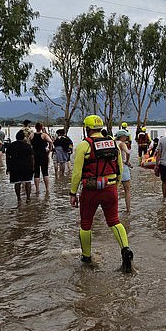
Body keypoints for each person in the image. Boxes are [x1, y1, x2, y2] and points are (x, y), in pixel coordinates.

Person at [70, 115, 133, 272]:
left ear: (87, 128)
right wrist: (115, 185)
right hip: (110, 188)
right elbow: (119, 167)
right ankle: (125, 249)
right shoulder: (113, 144)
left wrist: (72, 193)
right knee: (114, 221)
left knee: (85, 224)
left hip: (90, 190)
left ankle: (86, 258)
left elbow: (77, 173)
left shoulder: (84, 146)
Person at [6, 130, 34, 201]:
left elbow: (7, 157)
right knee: (28, 182)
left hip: (14, 166)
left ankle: (18, 198)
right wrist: (33, 167)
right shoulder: (27, 146)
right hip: (26, 166)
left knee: (17, 183)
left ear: (16, 137)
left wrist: (8, 167)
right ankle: (28, 198)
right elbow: (32, 158)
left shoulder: (11, 145)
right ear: (23, 137)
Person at [30, 122, 53, 193]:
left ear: (35, 127)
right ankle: (47, 189)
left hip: (35, 155)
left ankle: (37, 189)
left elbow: (29, 143)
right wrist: (49, 150)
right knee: (45, 172)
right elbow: (51, 142)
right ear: (42, 127)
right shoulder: (44, 135)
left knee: (36, 172)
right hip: (43, 154)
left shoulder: (32, 135)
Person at [116, 129, 132, 214]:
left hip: (114, 168)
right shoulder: (122, 144)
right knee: (127, 190)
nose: (126, 137)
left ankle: (114, 210)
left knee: (114, 190)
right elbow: (128, 152)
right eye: (125, 136)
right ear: (122, 136)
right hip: (123, 167)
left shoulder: (113, 143)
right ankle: (128, 210)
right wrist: (127, 161)